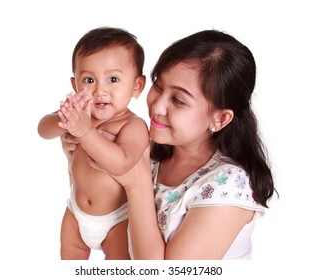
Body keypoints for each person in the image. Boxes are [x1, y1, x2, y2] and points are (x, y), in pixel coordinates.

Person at [63, 29, 277, 260]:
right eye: (158, 86)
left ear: (220, 118)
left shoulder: (228, 186)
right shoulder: (144, 147)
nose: (157, 107)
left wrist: (137, 185)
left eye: (178, 100)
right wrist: (76, 154)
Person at [37, 27, 149, 260]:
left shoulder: (133, 126)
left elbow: (121, 164)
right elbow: (42, 130)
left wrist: (85, 130)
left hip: (117, 219)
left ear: (137, 86)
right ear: (75, 84)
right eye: (89, 80)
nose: (100, 90)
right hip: (76, 213)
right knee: (70, 259)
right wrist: (65, 120)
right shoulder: (79, 115)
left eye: (113, 79)